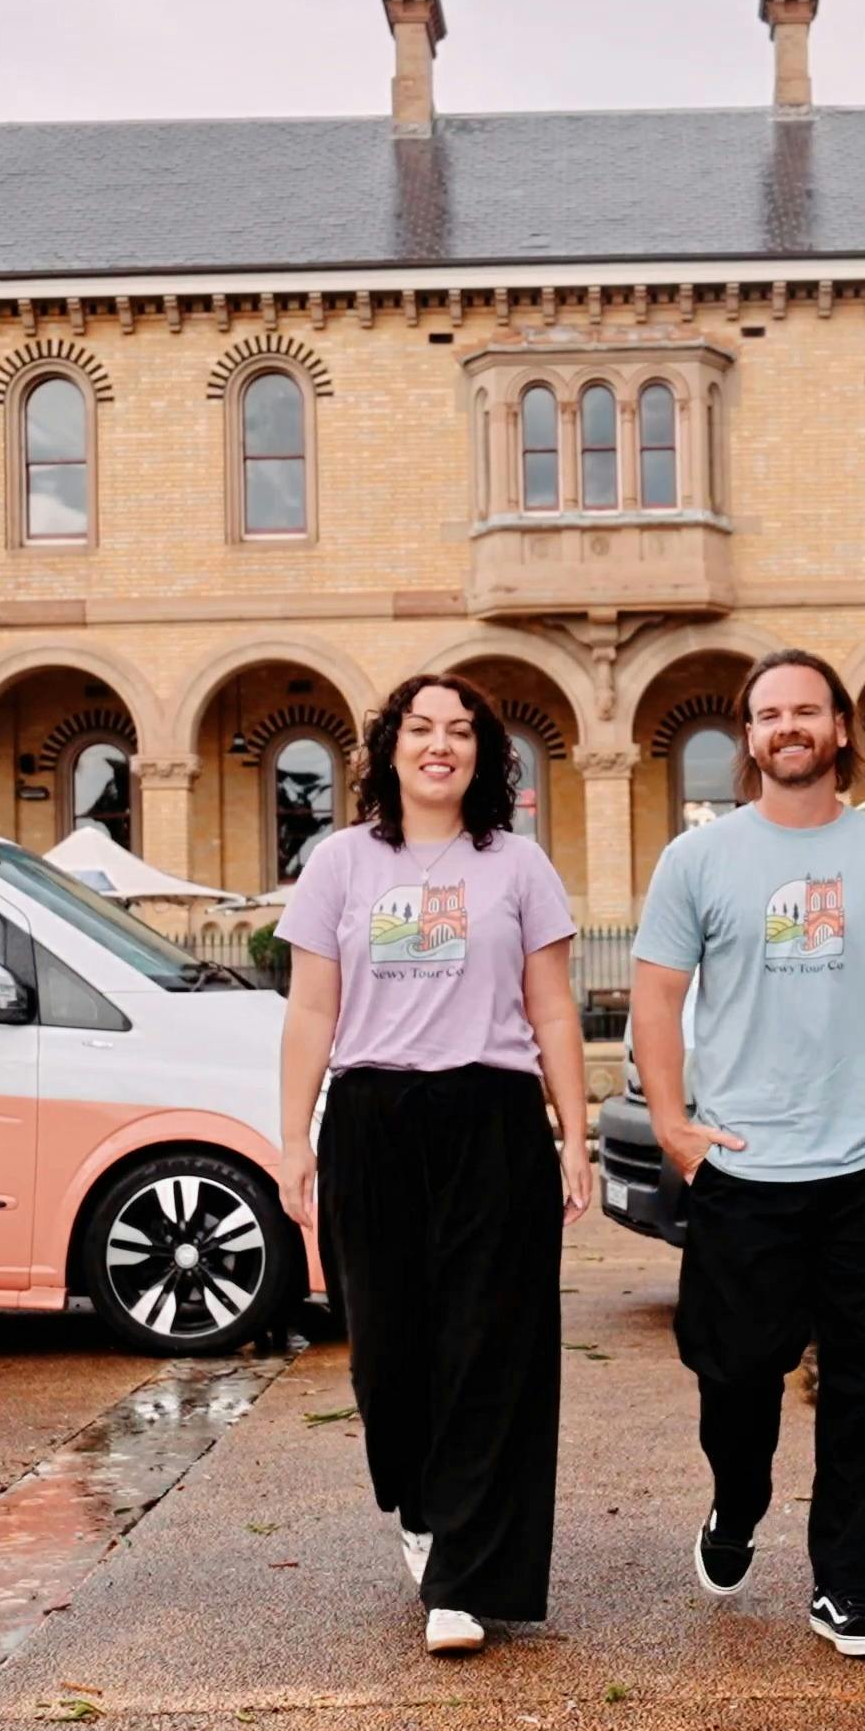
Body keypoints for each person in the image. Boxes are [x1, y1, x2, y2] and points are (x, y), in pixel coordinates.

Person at [629, 649, 865, 1660]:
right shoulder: (699, 861)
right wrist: (673, 1124)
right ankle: (736, 1507)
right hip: (743, 1168)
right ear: (749, 737)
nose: (788, 726)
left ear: (839, 729)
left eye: (806, 711)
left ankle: (850, 1584)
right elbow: (655, 993)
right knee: (734, 1375)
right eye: (768, 713)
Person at [276, 674, 595, 1657]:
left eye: (460, 731)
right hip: (372, 1116)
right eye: (422, 728)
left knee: (487, 1347)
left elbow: (551, 1010)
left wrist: (572, 1134)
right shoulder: (338, 864)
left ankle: (463, 1571)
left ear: (485, 754)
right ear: (390, 747)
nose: (440, 745)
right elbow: (311, 1011)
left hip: (491, 1116)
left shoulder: (519, 866)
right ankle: (418, 1502)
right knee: (387, 1352)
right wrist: (293, 1138)